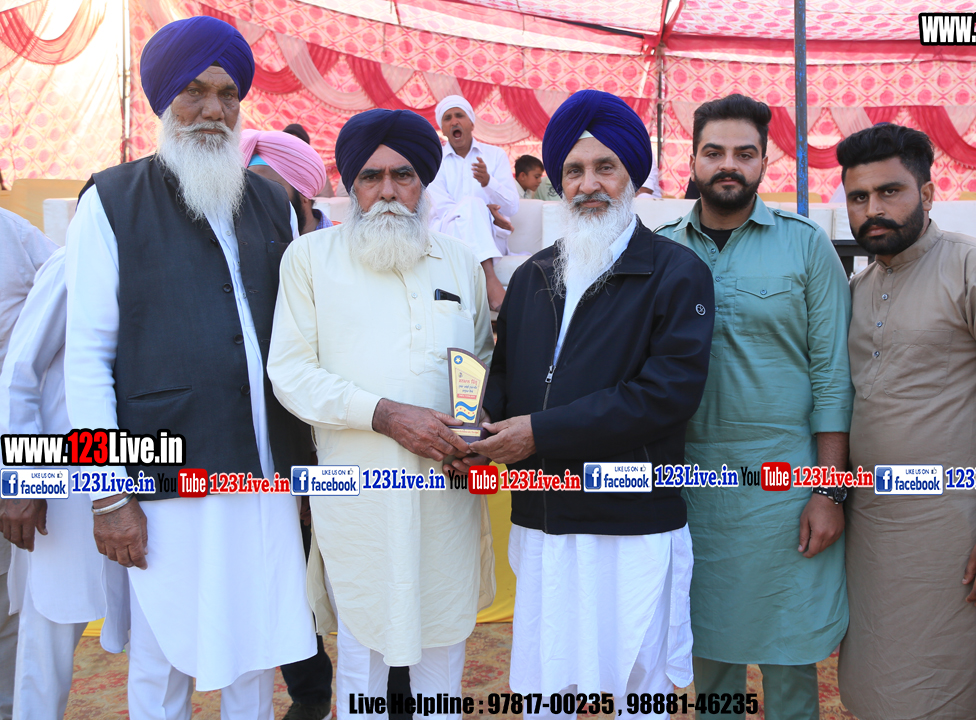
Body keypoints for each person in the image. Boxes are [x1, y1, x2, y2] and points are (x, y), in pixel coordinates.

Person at [63, 16, 316, 720]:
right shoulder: (110, 202)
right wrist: (107, 496)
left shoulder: (271, 202)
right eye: (194, 92)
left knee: (257, 648)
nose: (213, 109)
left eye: (228, 94)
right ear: (163, 99)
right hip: (164, 479)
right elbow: (87, 359)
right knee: (163, 656)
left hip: (263, 475)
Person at [459, 89, 714, 718]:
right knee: (548, 685)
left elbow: (666, 395)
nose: (588, 184)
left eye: (606, 167)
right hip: (544, 522)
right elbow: (508, 380)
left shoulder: (676, 272)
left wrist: (539, 434)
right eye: (573, 171)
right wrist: (479, 427)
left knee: (634, 688)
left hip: (630, 525)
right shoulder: (532, 277)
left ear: (633, 176)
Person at [267, 108, 495, 720]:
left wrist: (472, 433)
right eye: (371, 177)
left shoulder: (458, 260)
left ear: (424, 181)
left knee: (442, 655)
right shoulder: (309, 258)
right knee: (363, 660)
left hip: (445, 493)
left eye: (403, 175)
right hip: (358, 497)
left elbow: (477, 359)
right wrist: (385, 415)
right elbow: (290, 372)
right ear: (350, 185)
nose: (388, 191)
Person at [836, 123, 976, 720]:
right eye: (859, 197)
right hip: (873, 529)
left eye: (890, 191)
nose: (873, 210)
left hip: (956, 530)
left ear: (928, 194)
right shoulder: (858, 287)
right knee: (875, 685)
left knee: (950, 686)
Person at [655, 94, 852, 720]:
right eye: (714, 152)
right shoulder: (659, 252)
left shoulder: (806, 246)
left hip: (785, 487)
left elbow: (833, 376)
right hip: (689, 487)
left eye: (745, 153)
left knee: (790, 654)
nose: (728, 165)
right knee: (708, 656)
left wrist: (829, 491)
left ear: (765, 163)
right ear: (691, 161)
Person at [0, 248, 129, 720]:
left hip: (143, 470)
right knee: (51, 623)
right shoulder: (72, 260)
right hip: (64, 476)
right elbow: (19, 372)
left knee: (153, 625)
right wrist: (21, 481)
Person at [238, 127, 333, 720]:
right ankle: (311, 693)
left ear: (301, 199)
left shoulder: (335, 257)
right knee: (284, 579)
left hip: (333, 450)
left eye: (269, 190)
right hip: (256, 456)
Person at [0, 207, 55, 720]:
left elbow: (29, 370)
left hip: (10, 441)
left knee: (8, 606)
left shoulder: (13, 234)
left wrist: (24, 479)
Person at [427, 95, 519, 309]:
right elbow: (442, 210)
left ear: (471, 123)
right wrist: (483, 211)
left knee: (472, 205)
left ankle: (461, 304)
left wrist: (488, 182)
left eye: (459, 115)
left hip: (490, 235)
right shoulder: (434, 160)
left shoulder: (495, 155)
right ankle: (490, 280)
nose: (454, 121)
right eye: (447, 118)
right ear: (443, 128)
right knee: (471, 204)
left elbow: (513, 206)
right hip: (447, 233)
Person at [242, 129, 332, 235]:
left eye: (271, 188)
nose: (258, 198)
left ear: (304, 193)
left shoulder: (341, 242)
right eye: (252, 188)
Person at [282, 123, 335, 197]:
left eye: (296, 144)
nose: (292, 148)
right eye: (288, 143)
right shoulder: (273, 168)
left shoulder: (316, 174)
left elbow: (326, 201)